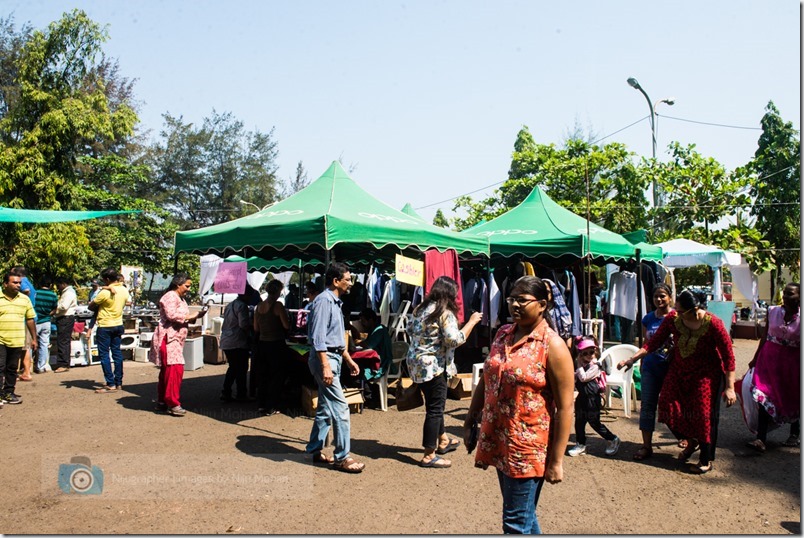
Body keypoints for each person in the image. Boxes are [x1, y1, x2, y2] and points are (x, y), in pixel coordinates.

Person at [464, 275, 574, 534]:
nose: (515, 305)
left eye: (523, 300)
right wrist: (471, 418)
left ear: (543, 305)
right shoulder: (503, 333)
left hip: (527, 447)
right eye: (512, 299)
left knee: (515, 522)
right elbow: (487, 379)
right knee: (523, 515)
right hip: (499, 438)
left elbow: (566, 408)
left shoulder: (553, 346)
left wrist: (557, 461)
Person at [619, 288, 736, 474]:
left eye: (681, 311)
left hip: (706, 375)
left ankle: (705, 461)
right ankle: (691, 440)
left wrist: (730, 387)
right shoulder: (673, 319)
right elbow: (653, 342)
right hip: (679, 371)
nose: (676, 313)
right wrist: (632, 359)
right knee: (666, 404)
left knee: (703, 415)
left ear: (694, 309)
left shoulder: (714, 323)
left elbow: (728, 356)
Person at [406, 275, 482, 468]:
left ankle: (444, 440)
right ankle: (429, 454)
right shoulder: (444, 313)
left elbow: (409, 330)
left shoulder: (420, 308)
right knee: (435, 409)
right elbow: (453, 340)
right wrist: (472, 322)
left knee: (433, 404)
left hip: (416, 364)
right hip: (433, 366)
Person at [305, 262, 366, 473]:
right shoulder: (323, 301)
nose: (350, 283)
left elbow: (336, 339)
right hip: (325, 360)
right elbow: (319, 338)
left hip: (334, 358)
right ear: (336, 281)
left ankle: (314, 449)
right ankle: (342, 457)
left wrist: (348, 359)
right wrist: (325, 367)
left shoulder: (335, 302)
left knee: (324, 407)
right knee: (341, 408)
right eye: (348, 279)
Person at [616, 283, 675, 460]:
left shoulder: (676, 317)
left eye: (662, 296)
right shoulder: (648, 318)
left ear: (670, 297)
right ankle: (646, 446)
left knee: (673, 404)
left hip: (671, 369)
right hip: (650, 368)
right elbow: (645, 344)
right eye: (656, 296)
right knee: (647, 406)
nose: (659, 299)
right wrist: (638, 362)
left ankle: (684, 438)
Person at [746, 282, 800, 452]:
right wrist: (755, 358)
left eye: (790, 294)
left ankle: (794, 434)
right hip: (768, 361)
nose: (785, 297)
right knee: (762, 396)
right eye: (784, 293)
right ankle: (760, 439)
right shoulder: (773, 311)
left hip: (792, 365)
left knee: (793, 398)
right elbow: (764, 336)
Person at [149, 273, 207, 416]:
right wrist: (192, 316)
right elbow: (172, 315)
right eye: (186, 286)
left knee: (169, 371)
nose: (188, 289)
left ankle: (163, 401)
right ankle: (172, 402)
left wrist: (195, 316)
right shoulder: (170, 296)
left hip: (175, 339)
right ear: (178, 284)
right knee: (174, 370)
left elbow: (182, 317)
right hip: (169, 338)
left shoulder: (179, 298)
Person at [567, 334, 621, 457]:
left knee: (594, 422)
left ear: (595, 352)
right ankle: (580, 444)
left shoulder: (595, 366)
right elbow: (576, 378)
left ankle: (612, 438)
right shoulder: (581, 366)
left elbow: (584, 378)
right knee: (579, 422)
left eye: (591, 352)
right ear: (579, 354)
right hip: (582, 398)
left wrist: (579, 366)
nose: (588, 356)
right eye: (584, 353)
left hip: (592, 398)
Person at [253, 279, 291, 415]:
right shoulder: (278, 306)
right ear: (279, 291)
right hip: (276, 344)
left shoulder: (259, 306)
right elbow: (286, 325)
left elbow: (256, 328)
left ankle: (261, 404)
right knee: (276, 376)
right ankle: (272, 405)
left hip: (262, 344)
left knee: (263, 375)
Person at [0, 270, 38, 405]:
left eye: (19, 283)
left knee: (12, 368)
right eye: (14, 282)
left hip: (17, 338)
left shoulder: (24, 299)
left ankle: (8, 393)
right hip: (1, 339)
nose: (18, 285)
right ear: (5, 284)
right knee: (0, 366)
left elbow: (30, 319)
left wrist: (34, 338)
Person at [91, 268, 131, 393]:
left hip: (105, 325)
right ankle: (118, 382)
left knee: (104, 355)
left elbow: (91, 306)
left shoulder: (104, 293)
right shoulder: (124, 290)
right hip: (118, 324)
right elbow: (127, 302)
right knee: (117, 354)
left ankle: (110, 383)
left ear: (107, 279)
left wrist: (104, 290)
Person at [220, 286, 255, 403]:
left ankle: (227, 392)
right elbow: (243, 325)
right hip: (237, 341)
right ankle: (239, 393)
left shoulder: (230, 304)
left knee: (233, 367)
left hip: (227, 340)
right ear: (246, 295)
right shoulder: (242, 306)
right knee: (241, 368)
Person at [14, 266, 35, 381]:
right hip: (29, 316)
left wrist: (19, 299)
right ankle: (25, 371)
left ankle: (26, 372)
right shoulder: (29, 281)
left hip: (24, 318)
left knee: (24, 347)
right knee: (26, 347)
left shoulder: (23, 282)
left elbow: (26, 290)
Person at [33, 277, 58, 374]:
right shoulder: (53, 295)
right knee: (44, 344)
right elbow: (55, 309)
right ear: (50, 285)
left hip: (35, 321)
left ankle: (28, 366)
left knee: (32, 344)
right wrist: (48, 314)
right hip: (47, 322)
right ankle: (41, 366)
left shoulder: (35, 293)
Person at [52, 276, 78, 373]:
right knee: (64, 341)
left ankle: (63, 364)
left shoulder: (68, 293)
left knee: (63, 341)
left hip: (65, 318)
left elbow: (64, 306)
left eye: (58, 285)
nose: (58, 287)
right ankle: (64, 363)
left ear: (63, 284)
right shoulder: (68, 292)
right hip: (65, 318)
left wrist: (55, 308)